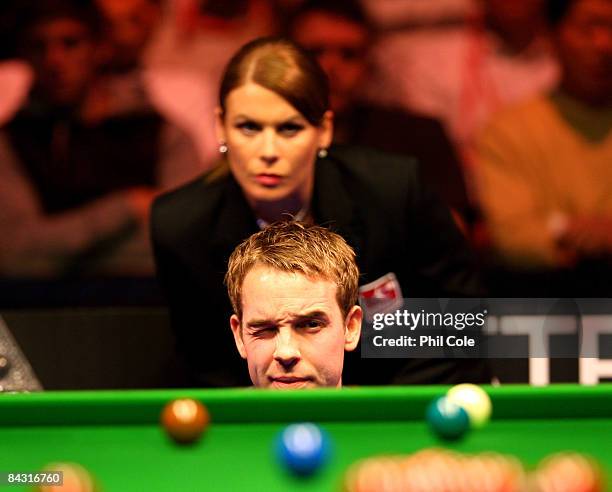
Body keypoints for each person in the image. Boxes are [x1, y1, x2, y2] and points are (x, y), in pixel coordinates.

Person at [152, 37, 489, 387]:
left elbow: (461, 323)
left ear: (324, 131)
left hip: (388, 401)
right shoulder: (180, 224)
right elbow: (206, 359)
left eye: (289, 128)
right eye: (248, 127)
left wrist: (366, 404)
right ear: (221, 127)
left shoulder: (391, 191)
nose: (268, 150)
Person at [0, 0, 201, 277]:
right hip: (40, 311)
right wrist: (128, 207)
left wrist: (59, 247)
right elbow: (15, 253)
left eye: (70, 43)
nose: (54, 60)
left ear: (100, 49)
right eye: (38, 47)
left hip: (148, 305)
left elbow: (188, 245)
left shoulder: (159, 132)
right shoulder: (12, 142)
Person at [474, 0, 612, 290]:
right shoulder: (508, 131)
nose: (604, 44)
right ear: (552, 35)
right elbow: (512, 236)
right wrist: (573, 232)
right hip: (548, 305)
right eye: (590, 27)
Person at [287, 0, 470, 218]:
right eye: (315, 52)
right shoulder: (253, 138)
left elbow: (453, 230)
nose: (331, 67)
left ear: (369, 62)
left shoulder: (417, 138)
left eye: (349, 54)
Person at [225, 221, 362, 388]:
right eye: (265, 329)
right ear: (239, 336)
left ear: (351, 327)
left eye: (311, 325)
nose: (286, 352)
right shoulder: (213, 414)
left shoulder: (390, 415)